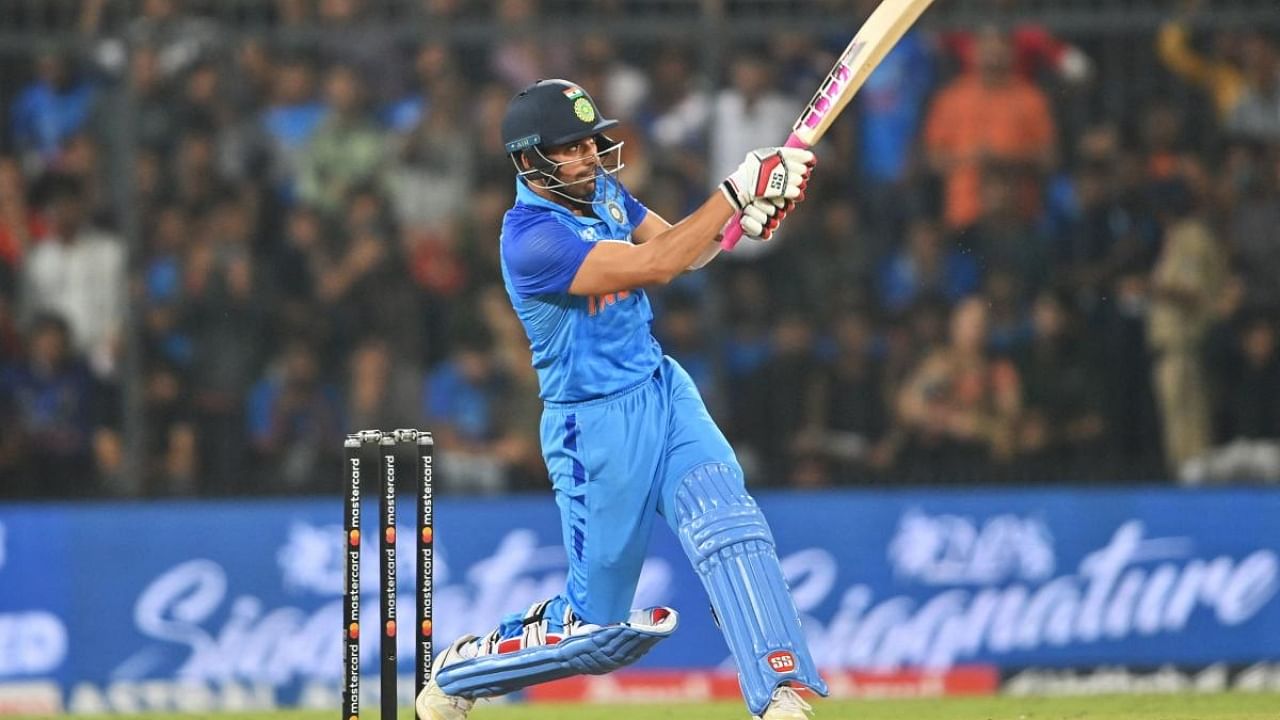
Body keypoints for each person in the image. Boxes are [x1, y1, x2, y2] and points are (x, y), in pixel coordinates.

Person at [415, 80, 825, 720]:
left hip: (662, 392)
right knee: (598, 635)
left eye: (590, 143)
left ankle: (779, 696)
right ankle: (463, 671)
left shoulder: (601, 190)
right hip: (594, 433)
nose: (590, 158)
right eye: (571, 149)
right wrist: (735, 190)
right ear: (529, 161)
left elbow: (688, 252)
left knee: (729, 525)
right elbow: (657, 264)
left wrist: (745, 221)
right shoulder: (530, 241)